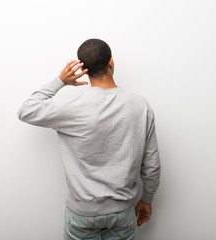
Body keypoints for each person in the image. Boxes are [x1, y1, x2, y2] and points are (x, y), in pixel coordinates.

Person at [17, 38, 161, 240]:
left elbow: (26, 110)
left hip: (82, 214)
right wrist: (147, 199)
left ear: (83, 69)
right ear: (111, 62)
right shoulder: (140, 105)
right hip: (123, 211)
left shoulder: (70, 106)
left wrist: (60, 81)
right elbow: (152, 164)